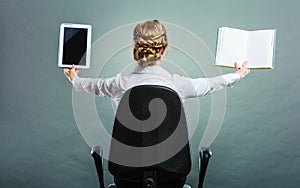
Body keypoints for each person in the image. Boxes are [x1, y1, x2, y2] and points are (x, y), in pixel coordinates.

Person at [64, 20, 250, 187]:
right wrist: (237, 75)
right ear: (163, 49)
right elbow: (210, 84)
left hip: (126, 179)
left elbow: (91, 85)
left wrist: (75, 79)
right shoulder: (178, 84)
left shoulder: (119, 83)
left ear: (135, 47)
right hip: (173, 180)